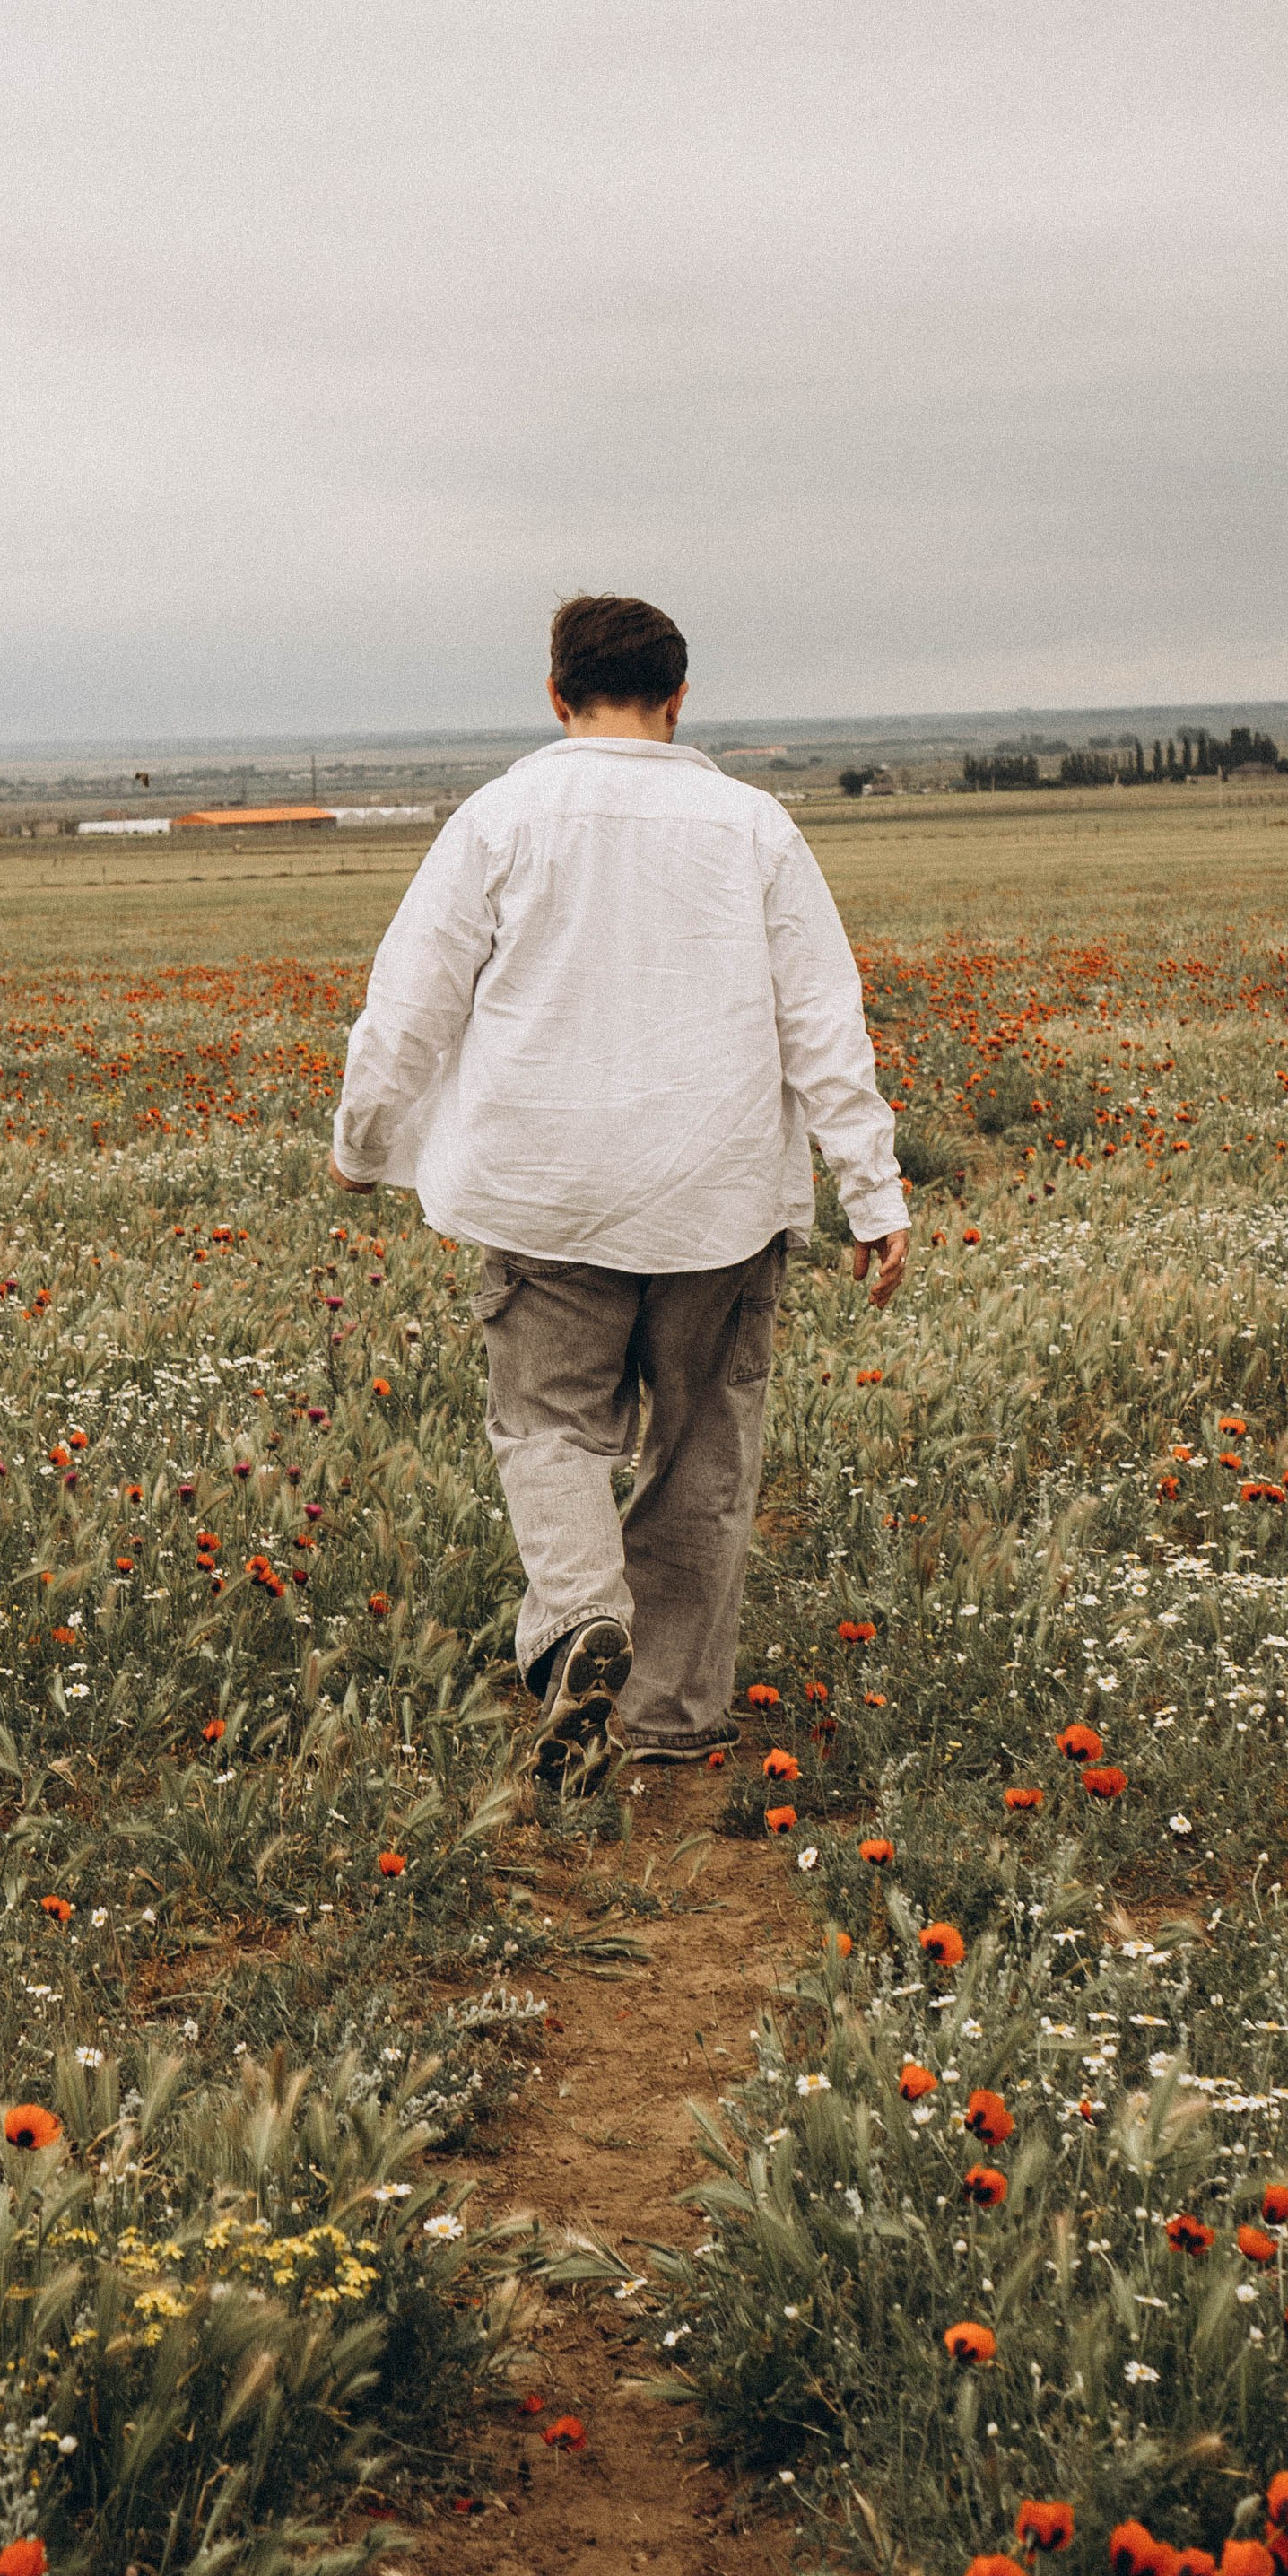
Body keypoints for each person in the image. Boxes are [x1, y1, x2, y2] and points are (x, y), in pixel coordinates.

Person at [328, 594, 909, 1789]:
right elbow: (823, 1023)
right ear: (680, 696)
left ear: (557, 695)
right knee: (702, 1448)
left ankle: (580, 1617)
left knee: (547, 1425)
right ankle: (672, 1712)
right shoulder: (754, 826)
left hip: (543, 1193)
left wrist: (361, 1141)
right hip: (720, 1196)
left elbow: (409, 1008)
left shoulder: (497, 821)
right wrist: (873, 1190)